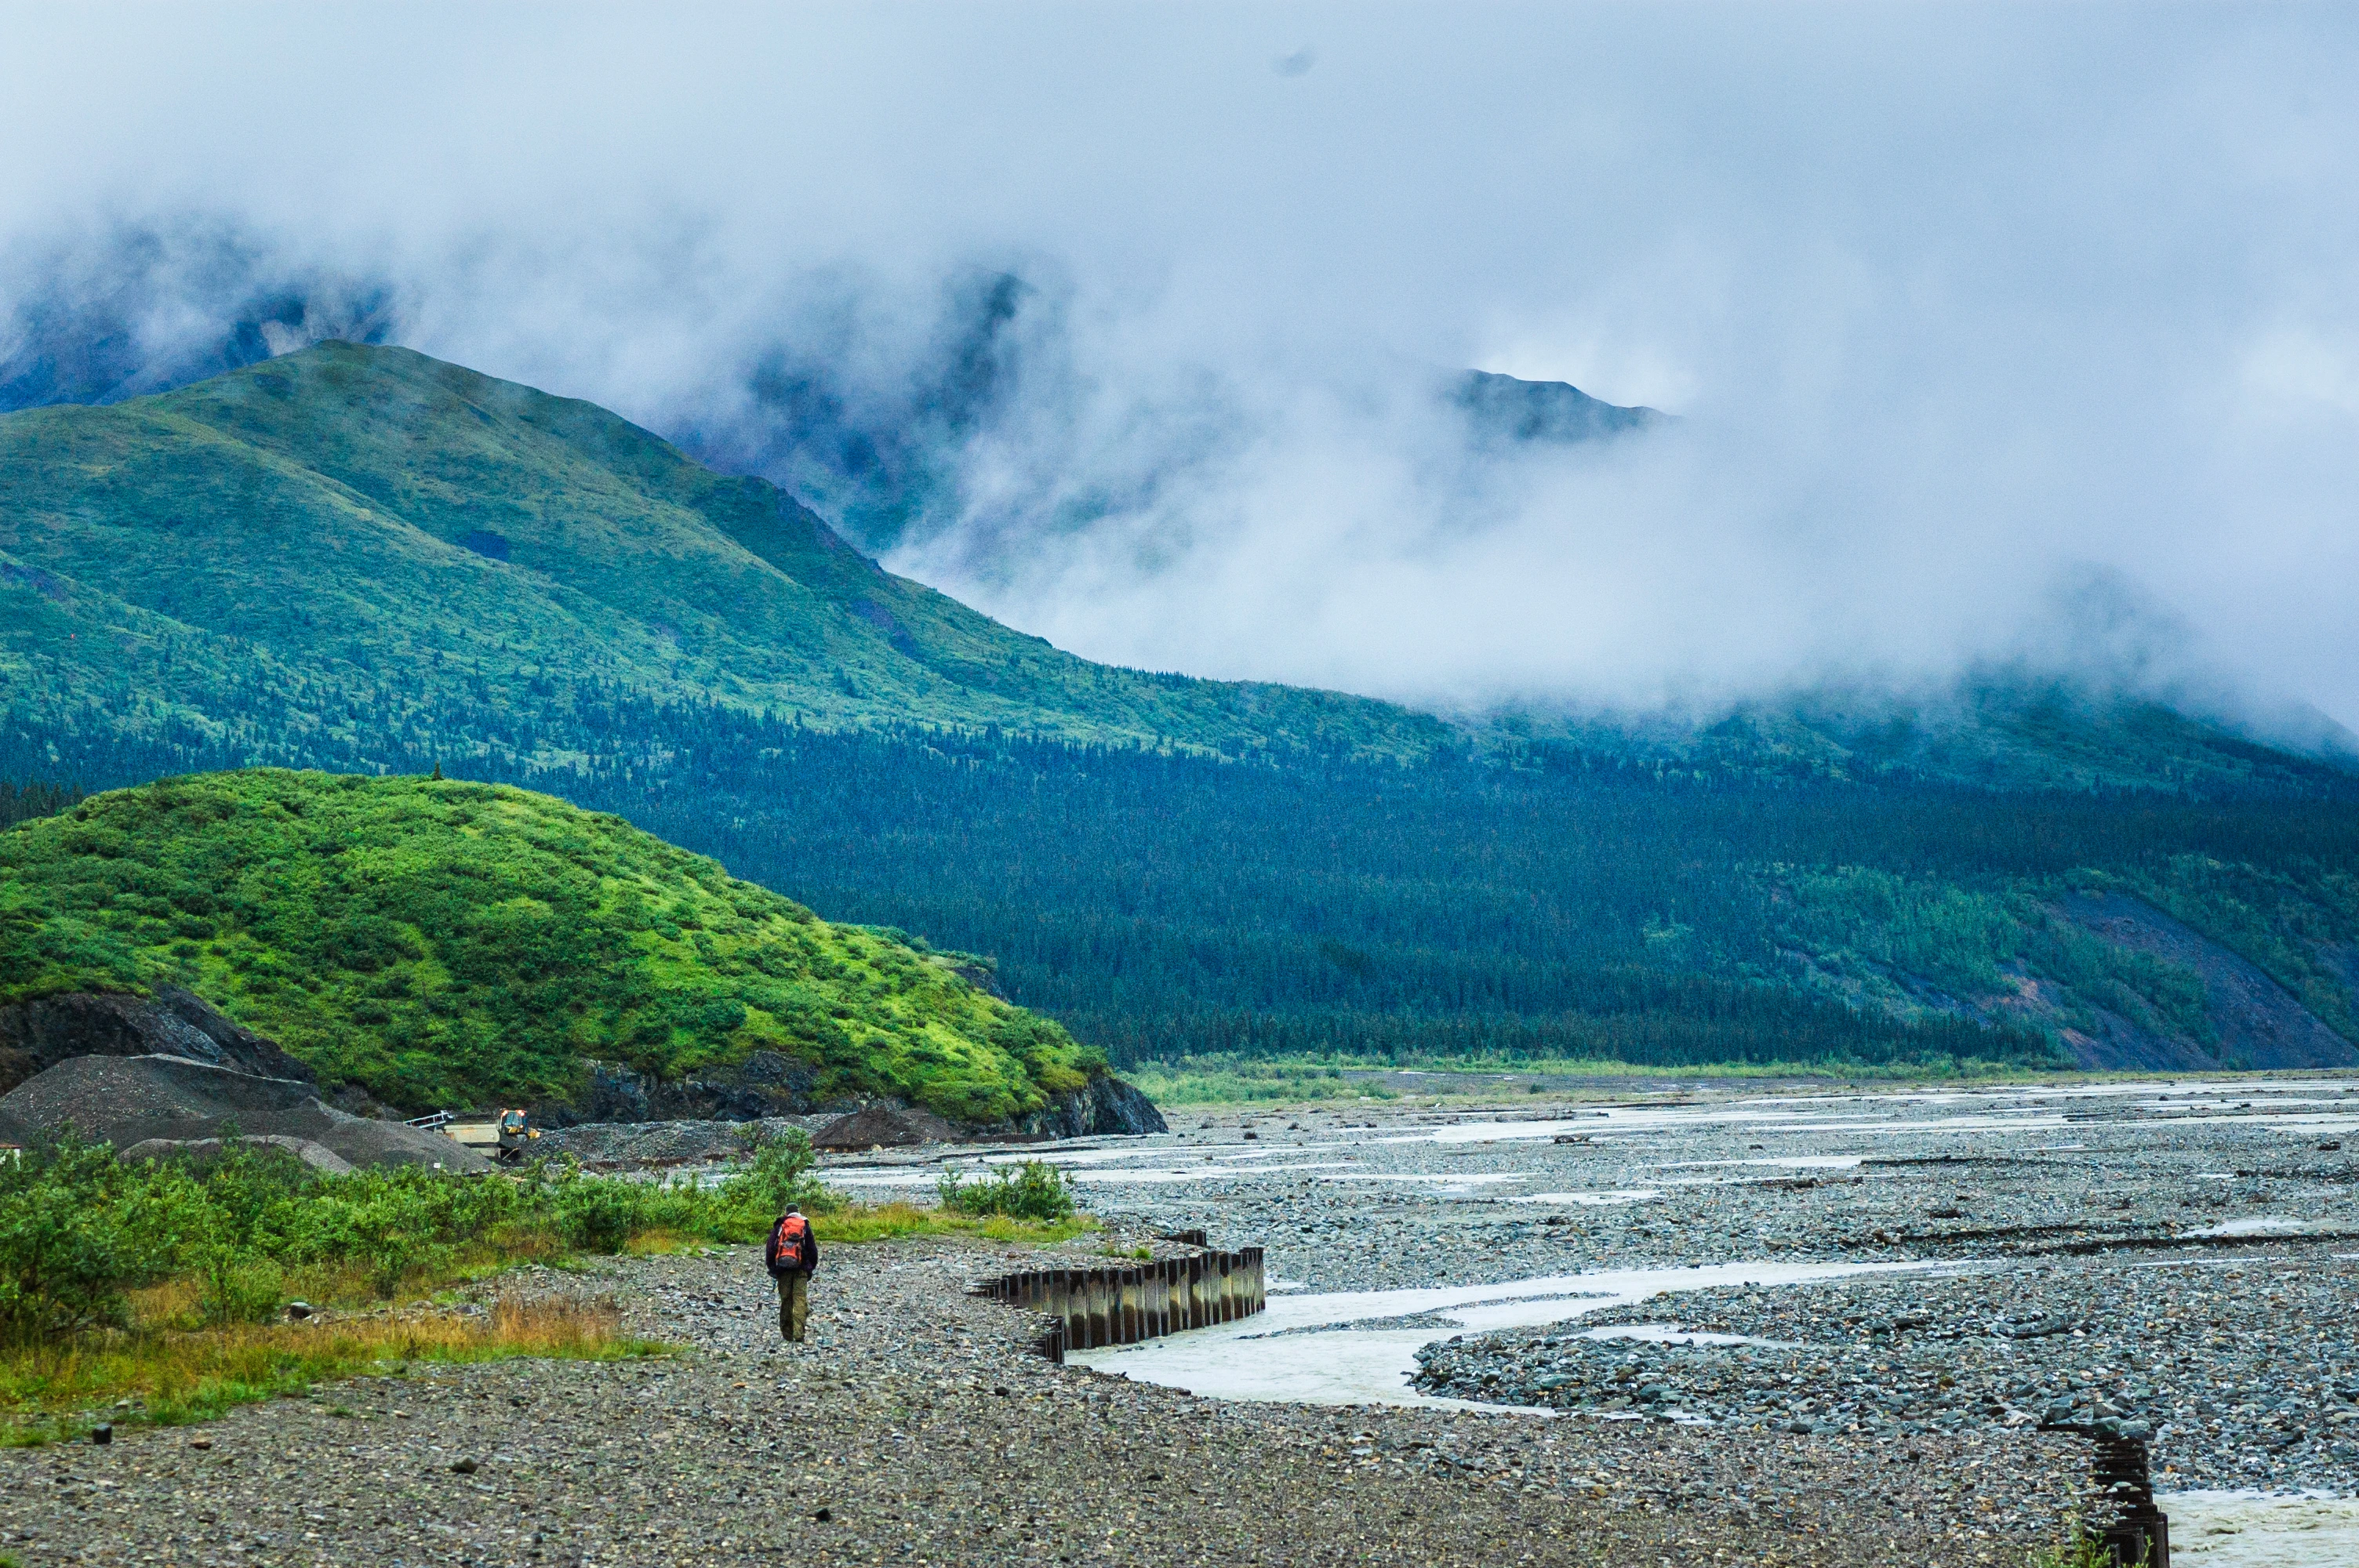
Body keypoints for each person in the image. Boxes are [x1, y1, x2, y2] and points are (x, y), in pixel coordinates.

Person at [765, 1203, 817, 1343]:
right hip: (801, 1269)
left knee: (786, 1300)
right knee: (800, 1299)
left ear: (786, 1212)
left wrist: (772, 1268)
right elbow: (813, 1250)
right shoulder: (804, 1226)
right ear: (798, 1212)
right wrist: (810, 1268)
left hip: (783, 1269)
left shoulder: (781, 1225)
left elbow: (770, 1248)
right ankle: (799, 1333)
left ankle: (787, 1333)